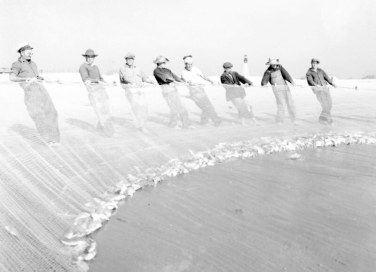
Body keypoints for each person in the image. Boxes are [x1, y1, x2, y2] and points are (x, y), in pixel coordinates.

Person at [9, 43, 60, 146]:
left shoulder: (33, 64)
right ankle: (48, 139)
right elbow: (12, 78)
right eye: (28, 52)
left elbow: (36, 77)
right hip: (31, 93)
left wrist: (43, 78)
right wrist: (26, 79)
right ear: (22, 52)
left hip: (42, 90)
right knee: (39, 116)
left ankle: (55, 138)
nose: (30, 54)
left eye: (31, 52)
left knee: (52, 113)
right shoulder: (17, 64)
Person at [79, 49, 114, 136]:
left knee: (107, 110)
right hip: (93, 92)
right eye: (88, 57)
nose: (90, 59)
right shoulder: (83, 67)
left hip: (102, 90)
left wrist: (105, 82)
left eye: (92, 57)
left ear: (94, 58)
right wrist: (97, 81)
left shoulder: (96, 67)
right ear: (85, 57)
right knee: (100, 112)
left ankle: (100, 129)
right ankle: (107, 132)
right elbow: (86, 79)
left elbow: (100, 78)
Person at [119, 52, 156, 132]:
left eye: (131, 59)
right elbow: (125, 78)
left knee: (144, 108)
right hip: (130, 91)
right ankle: (140, 126)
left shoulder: (138, 68)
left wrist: (151, 81)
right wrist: (134, 83)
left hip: (140, 90)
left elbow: (144, 77)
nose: (130, 61)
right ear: (126, 60)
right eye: (128, 59)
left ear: (133, 60)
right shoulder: (123, 68)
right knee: (136, 109)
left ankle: (142, 125)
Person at [153, 56, 192, 129]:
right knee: (173, 109)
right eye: (163, 62)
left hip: (174, 90)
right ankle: (173, 125)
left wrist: (184, 82)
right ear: (159, 63)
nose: (165, 63)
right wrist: (174, 81)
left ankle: (186, 124)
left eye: (165, 62)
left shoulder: (168, 70)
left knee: (182, 107)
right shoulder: (156, 71)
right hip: (167, 91)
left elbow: (175, 77)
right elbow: (165, 78)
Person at [181, 55, 221, 126]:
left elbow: (203, 76)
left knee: (208, 105)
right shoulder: (183, 72)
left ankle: (204, 121)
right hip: (194, 92)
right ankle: (216, 121)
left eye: (191, 64)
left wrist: (211, 81)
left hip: (201, 90)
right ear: (185, 64)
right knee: (206, 106)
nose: (190, 66)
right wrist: (194, 83)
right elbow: (188, 82)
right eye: (188, 64)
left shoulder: (195, 69)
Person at [261, 58, 296, 124]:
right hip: (277, 91)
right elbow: (264, 81)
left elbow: (286, 75)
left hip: (285, 89)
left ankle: (293, 119)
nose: (274, 65)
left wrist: (291, 81)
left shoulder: (280, 67)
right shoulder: (268, 72)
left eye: (275, 64)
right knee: (281, 104)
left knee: (290, 103)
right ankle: (279, 121)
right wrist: (264, 84)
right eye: (272, 64)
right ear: (270, 64)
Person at [306, 58, 337, 125]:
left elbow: (327, 77)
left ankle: (321, 119)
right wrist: (315, 85)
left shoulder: (321, 71)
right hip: (319, 91)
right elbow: (310, 81)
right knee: (325, 106)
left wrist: (332, 83)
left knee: (330, 105)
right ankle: (329, 120)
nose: (315, 64)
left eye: (316, 63)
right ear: (311, 64)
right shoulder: (309, 73)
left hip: (325, 89)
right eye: (313, 63)